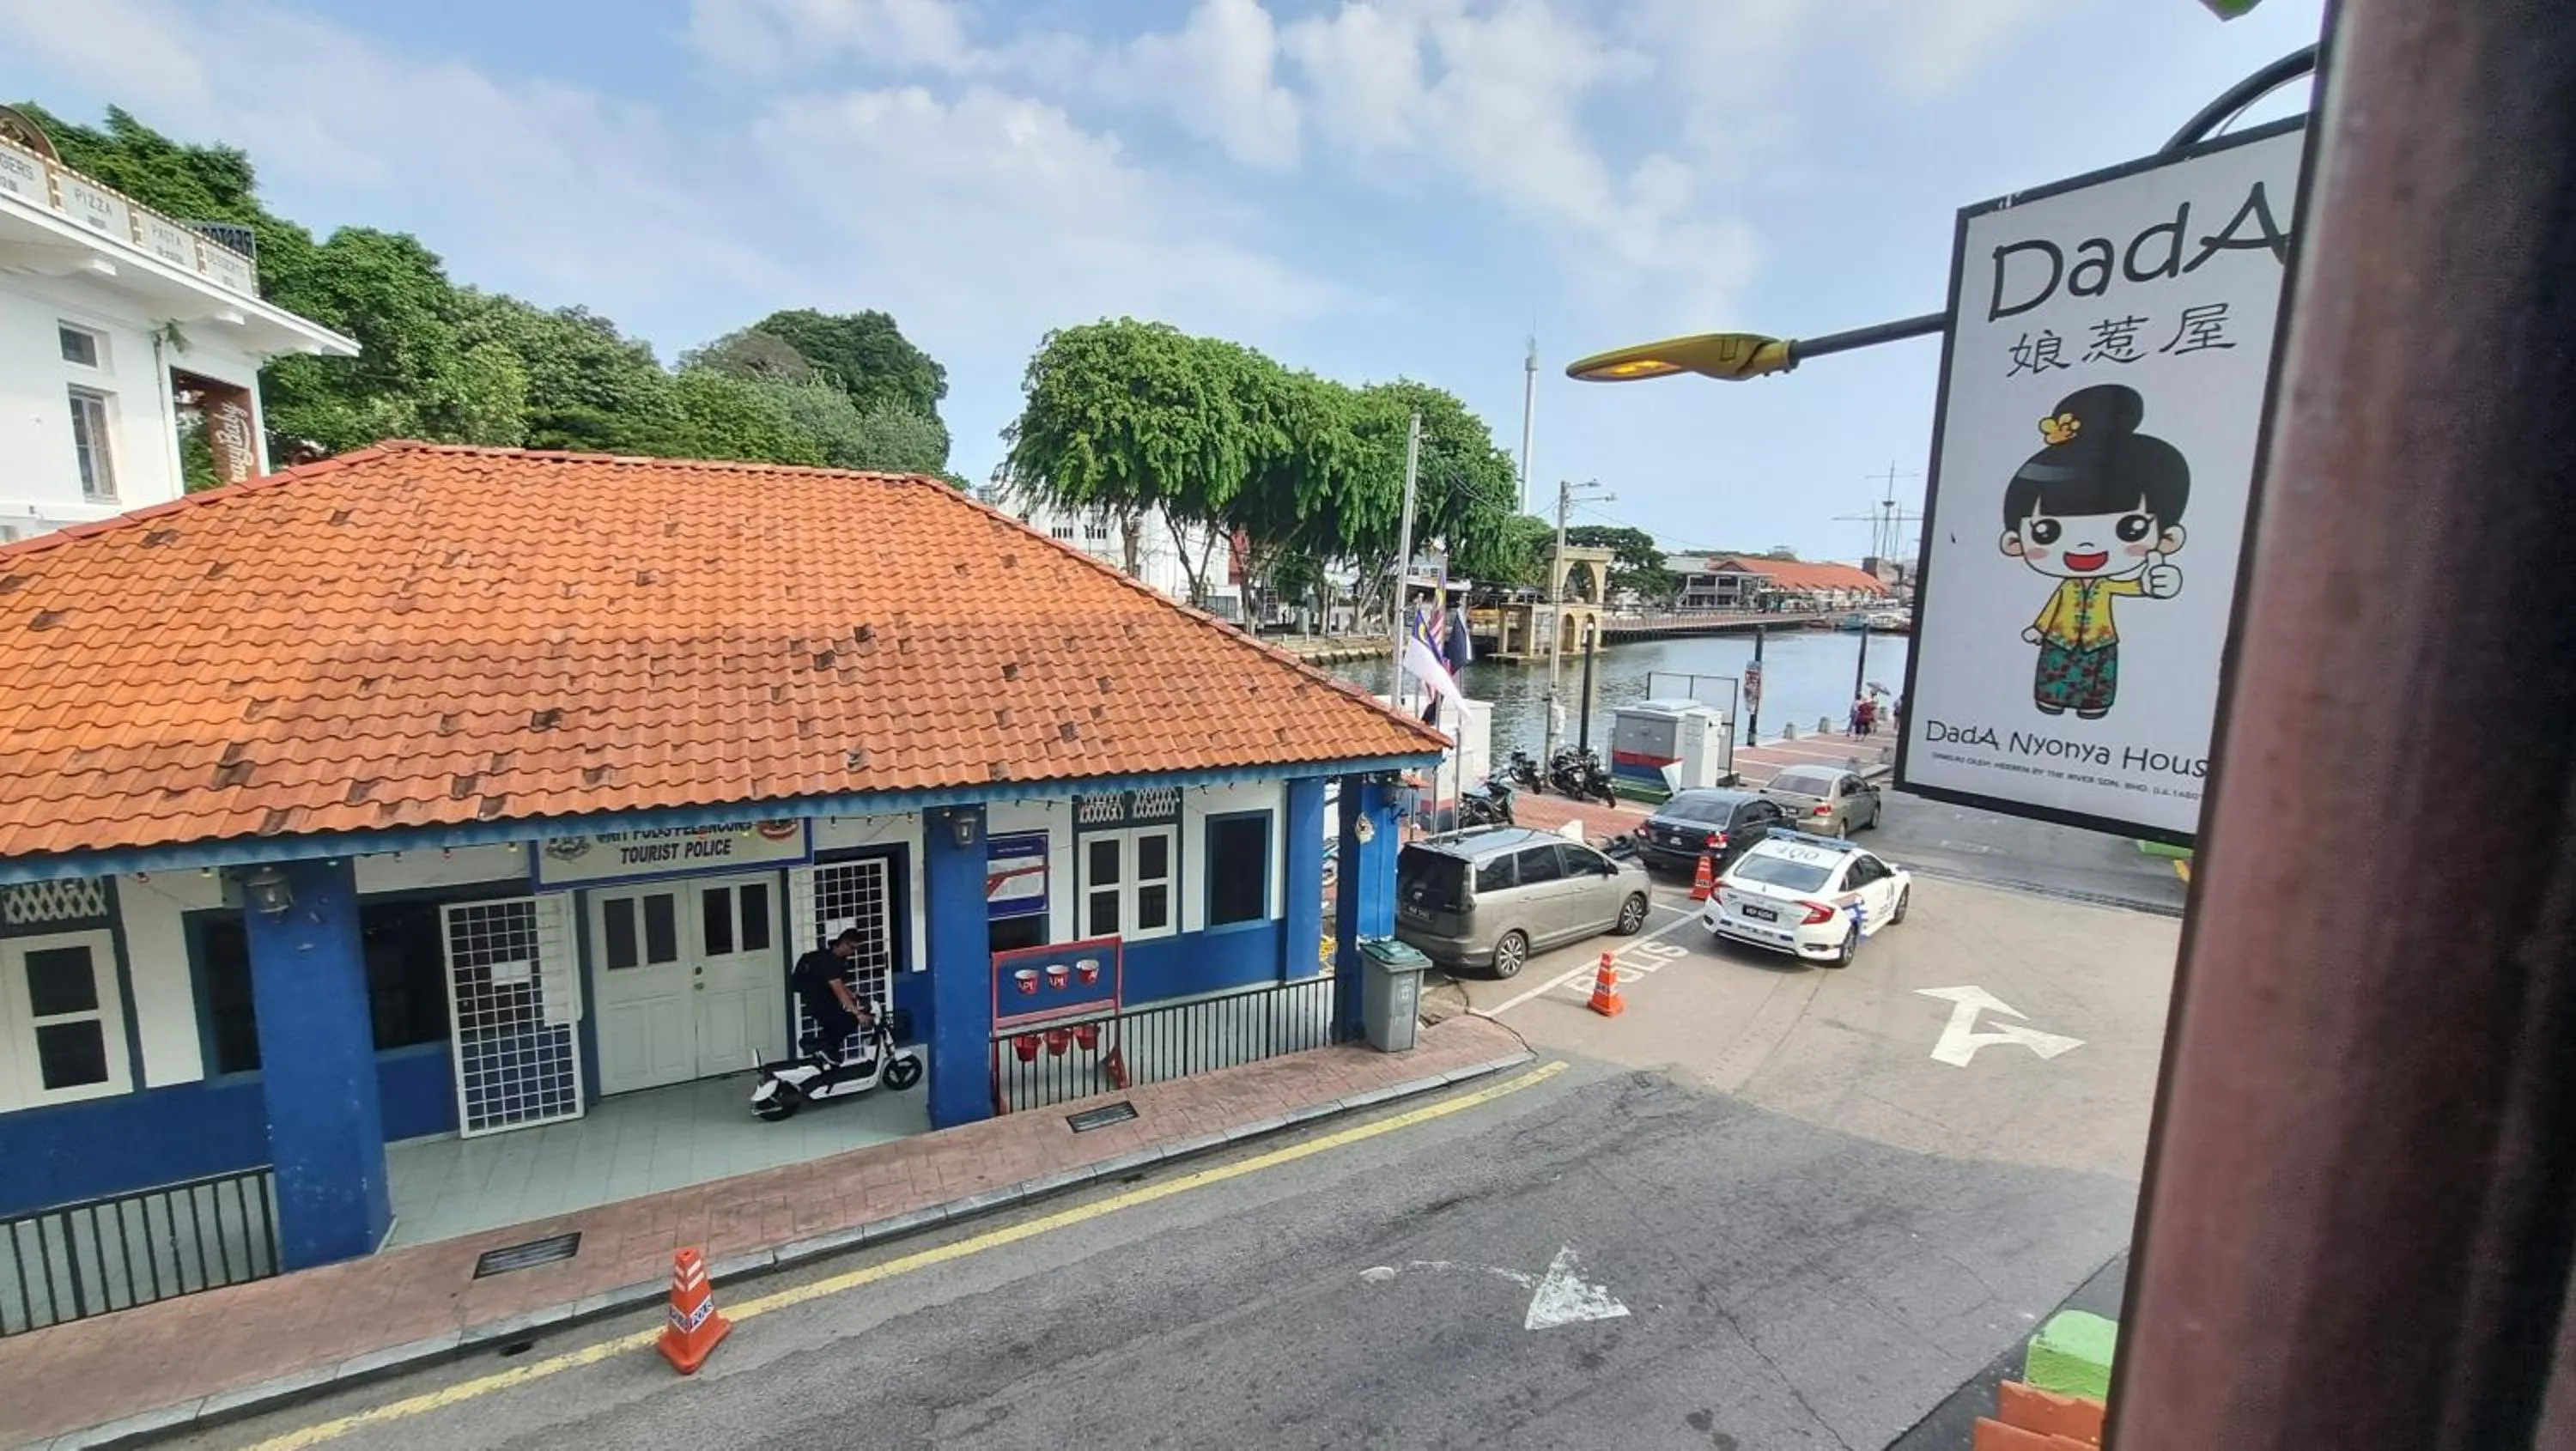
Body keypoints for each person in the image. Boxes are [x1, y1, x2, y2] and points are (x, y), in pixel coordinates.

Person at [2000, 383, 2190, 720]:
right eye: (2047, 532)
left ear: (2168, 538)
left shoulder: (2105, 585)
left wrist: (2155, 585)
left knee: (2095, 678)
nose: (2086, 545)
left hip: (2099, 641)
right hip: (2060, 639)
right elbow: (2052, 608)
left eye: (2129, 528)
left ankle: (2094, 705)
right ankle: (2051, 700)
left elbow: (2133, 586)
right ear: (2015, 543)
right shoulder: (2069, 586)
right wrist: (2039, 629)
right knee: (2056, 673)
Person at [790, 928, 875, 1065]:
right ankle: (815, 1046)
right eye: (853, 948)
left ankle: (825, 1051)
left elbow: (839, 984)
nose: (853, 952)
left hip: (822, 999)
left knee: (836, 1026)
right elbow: (838, 989)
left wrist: (852, 995)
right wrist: (858, 1013)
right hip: (818, 1001)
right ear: (844, 943)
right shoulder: (829, 961)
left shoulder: (835, 957)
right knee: (849, 1021)